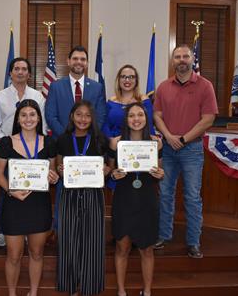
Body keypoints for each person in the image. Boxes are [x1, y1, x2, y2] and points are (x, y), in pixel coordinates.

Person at [153, 44, 218, 259]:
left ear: (192, 59)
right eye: (177, 57)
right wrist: (170, 138)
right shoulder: (163, 86)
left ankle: (193, 242)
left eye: (185, 56)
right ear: (173, 61)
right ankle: (162, 235)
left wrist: (183, 138)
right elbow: (157, 116)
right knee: (165, 195)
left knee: (191, 197)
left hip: (192, 149)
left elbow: (208, 119)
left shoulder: (205, 86)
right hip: (169, 149)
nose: (181, 60)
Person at [0, 99, 59, 296]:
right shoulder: (6, 142)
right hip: (14, 203)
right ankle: (12, 293)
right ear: (18, 119)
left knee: (36, 253)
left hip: (39, 205)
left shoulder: (48, 142)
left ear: (39, 118)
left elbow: (53, 173)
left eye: (32, 115)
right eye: (23, 115)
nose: (28, 119)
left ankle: (33, 292)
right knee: (13, 255)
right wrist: (10, 191)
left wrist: (53, 177)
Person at [45, 45, 107, 241]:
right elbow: (50, 114)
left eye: (83, 59)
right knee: (64, 190)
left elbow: (101, 114)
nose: (79, 62)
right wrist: (69, 136)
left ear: (87, 63)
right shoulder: (56, 86)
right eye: (76, 59)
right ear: (69, 61)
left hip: (89, 147)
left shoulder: (96, 87)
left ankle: (88, 230)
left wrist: (85, 134)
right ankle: (62, 229)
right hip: (64, 147)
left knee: (89, 189)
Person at [109, 102, 165, 296]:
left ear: (146, 118)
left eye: (140, 115)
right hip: (124, 198)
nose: (136, 119)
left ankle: (147, 291)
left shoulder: (156, 142)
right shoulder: (115, 142)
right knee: (122, 247)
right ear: (126, 120)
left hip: (147, 198)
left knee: (147, 249)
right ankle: (121, 291)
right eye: (131, 115)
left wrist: (160, 173)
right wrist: (113, 174)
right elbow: (110, 170)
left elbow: (159, 169)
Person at [55, 100, 110, 296]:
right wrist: (60, 170)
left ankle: (89, 287)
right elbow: (59, 166)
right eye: (79, 114)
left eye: (87, 115)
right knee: (68, 241)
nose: (83, 119)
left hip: (93, 195)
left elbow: (110, 166)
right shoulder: (62, 139)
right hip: (69, 195)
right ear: (72, 116)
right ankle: (70, 287)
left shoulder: (100, 139)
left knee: (92, 242)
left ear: (92, 118)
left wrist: (106, 170)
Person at [0, 57, 47, 247]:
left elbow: (43, 123)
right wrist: (6, 144)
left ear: (29, 74)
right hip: (10, 151)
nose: (20, 72)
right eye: (17, 69)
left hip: (33, 150)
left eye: (24, 69)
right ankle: (3, 230)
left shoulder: (38, 96)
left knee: (33, 191)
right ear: (11, 73)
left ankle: (29, 230)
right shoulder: (0, 96)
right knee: (6, 193)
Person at [102, 64, 155, 138]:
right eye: (123, 77)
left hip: (138, 145)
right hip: (114, 144)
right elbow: (105, 126)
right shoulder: (111, 102)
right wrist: (110, 141)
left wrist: (153, 143)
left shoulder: (144, 101)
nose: (127, 80)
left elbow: (149, 126)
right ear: (118, 80)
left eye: (131, 77)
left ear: (136, 81)